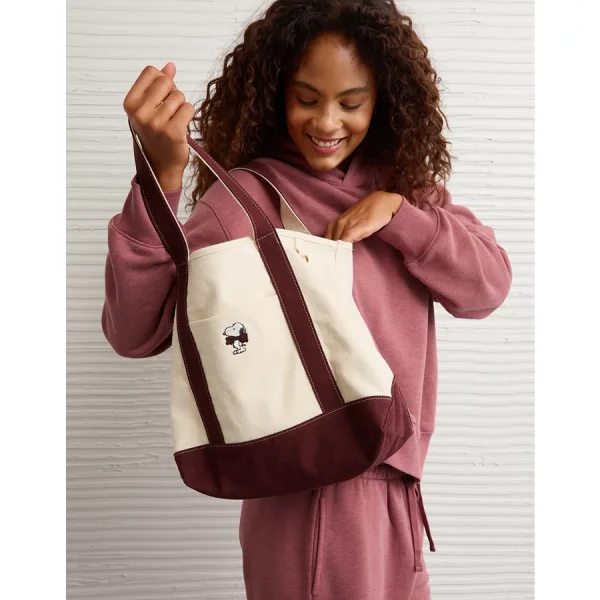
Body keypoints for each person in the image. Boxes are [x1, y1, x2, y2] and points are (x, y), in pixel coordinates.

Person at [101, 1, 512, 598]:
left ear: (383, 99)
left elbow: (487, 288)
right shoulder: (245, 202)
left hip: (399, 492)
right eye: (306, 97)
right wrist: (159, 182)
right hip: (312, 495)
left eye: (351, 102)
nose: (327, 121)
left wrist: (402, 216)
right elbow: (136, 332)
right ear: (275, 94)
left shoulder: (406, 191)